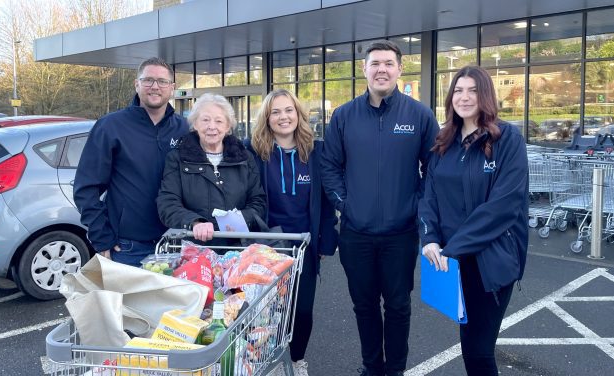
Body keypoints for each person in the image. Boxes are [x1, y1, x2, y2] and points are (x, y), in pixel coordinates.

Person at [321, 40, 439, 376]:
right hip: (356, 234)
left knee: (399, 306)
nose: (381, 69)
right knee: (365, 306)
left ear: (400, 69)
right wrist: (345, 203)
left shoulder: (419, 115)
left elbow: (433, 168)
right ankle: (372, 367)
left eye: (388, 63)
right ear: (364, 69)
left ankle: (395, 370)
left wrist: (415, 204)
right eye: (375, 64)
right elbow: (329, 166)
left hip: (400, 235)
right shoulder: (344, 116)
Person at [418, 65, 529, 375]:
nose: (464, 97)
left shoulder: (507, 139)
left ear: (486, 96)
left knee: (479, 351)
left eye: (473, 91)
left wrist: (452, 248)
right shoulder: (444, 141)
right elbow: (429, 197)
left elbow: (503, 207)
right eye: (458, 90)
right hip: (454, 263)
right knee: (470, 346)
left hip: (491, 262)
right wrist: (429, 239)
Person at [245, 89, 338, 376]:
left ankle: (297, 359)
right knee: (267, 312)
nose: (283, 117)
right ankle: (267, 362)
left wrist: (326, 239)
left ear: (298, 115)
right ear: (267, 118)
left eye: (289, 110)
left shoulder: (317, 150)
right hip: (267, 246)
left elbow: (325, 201)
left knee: (303, 311)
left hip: (304, 247)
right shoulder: (254, 151)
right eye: (276, 112)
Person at [74, 57, 189, 267]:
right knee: (127, 302)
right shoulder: (110, 127)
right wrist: (102, 239)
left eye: (162, 81)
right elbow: (86, 189)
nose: (155, 86)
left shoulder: (184, 129)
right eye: (148, 80)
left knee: (170, 302)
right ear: (137, 84)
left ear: (172, 88)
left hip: (176, 244)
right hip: (127, 248)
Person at [156, 93, 265, 243]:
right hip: (193, 249)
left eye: (219, 121)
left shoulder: (244, 158)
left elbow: (258, 201)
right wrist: (194, 222)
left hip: (238, 248)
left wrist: (239, 220)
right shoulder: (177, 158)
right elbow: (167, 203)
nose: (212, 126)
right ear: (195, 124)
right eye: (205, 120)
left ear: (228, 127)